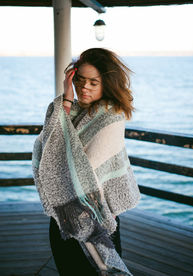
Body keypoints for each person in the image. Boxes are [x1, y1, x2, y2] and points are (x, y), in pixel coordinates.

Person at [32, 48, 140, 276]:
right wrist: (67, 97)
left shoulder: (112, 117)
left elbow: (82, 169)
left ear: (107, 83)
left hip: (97, 217)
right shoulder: (65, 109)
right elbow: (46, 148)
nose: (84, 87)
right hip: (63, 216)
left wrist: (60, 159)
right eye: (80, 80)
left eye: (93, 82)